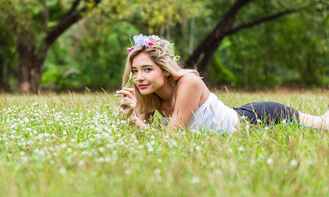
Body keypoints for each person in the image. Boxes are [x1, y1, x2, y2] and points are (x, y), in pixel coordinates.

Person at [116, 34, 329, 133]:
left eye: (147, 69)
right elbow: (140, 135)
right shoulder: (149, 95)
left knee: (323, 124)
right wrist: (129, 116)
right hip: (239, 112)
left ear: (164, 70)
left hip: (259, 118)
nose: (139, 76)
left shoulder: (188, 82)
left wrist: (133, 119)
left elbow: (173, 138)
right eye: (134, 71)